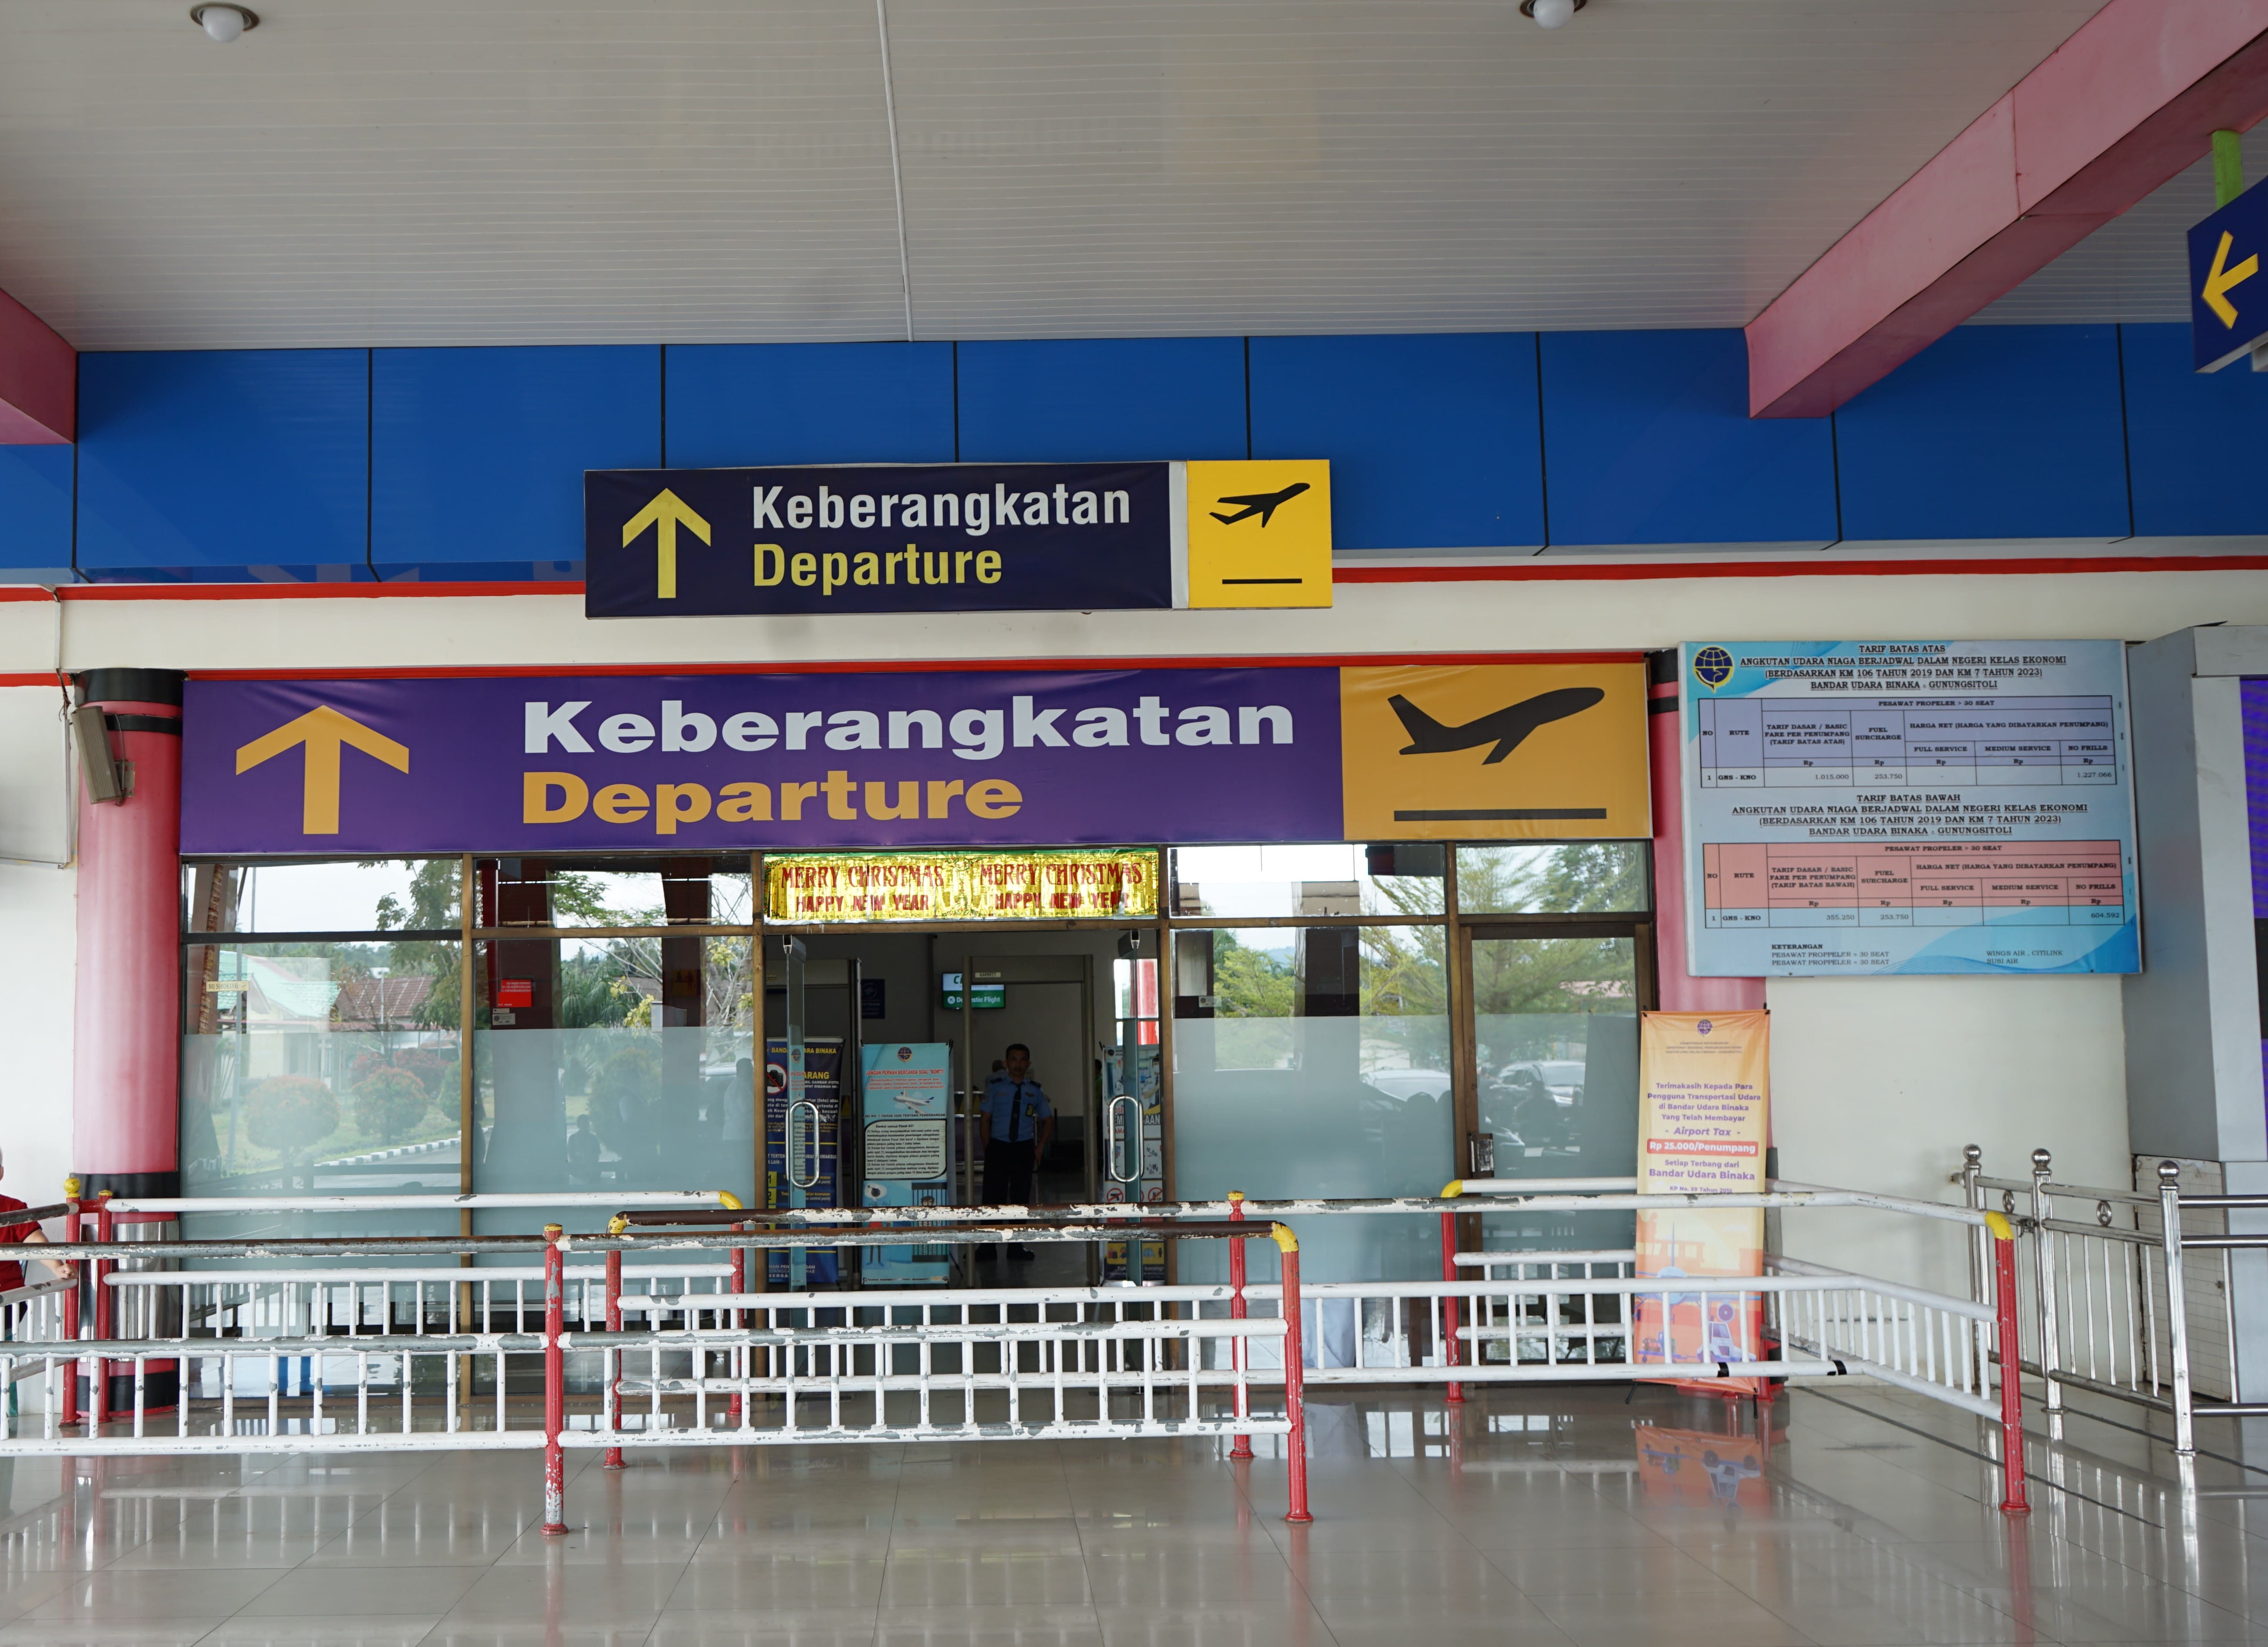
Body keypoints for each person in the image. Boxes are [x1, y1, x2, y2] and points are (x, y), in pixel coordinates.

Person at [979, 1044, 1054, 1261]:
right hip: (998, 1147)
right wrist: (989, 1148)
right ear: (1006, 1063)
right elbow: (984, 1121)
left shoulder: (1035, 1090)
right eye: (1014, 1059)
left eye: (1022, 1060)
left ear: (1028, 1064)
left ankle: (1016, 1248)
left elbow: (1048, 1120)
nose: (1018, 1064)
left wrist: (1040, 1146)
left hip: (1023, 1148)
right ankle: (987, 1248)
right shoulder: (995, 1088)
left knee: (1020, 1200)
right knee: (992, 1199)